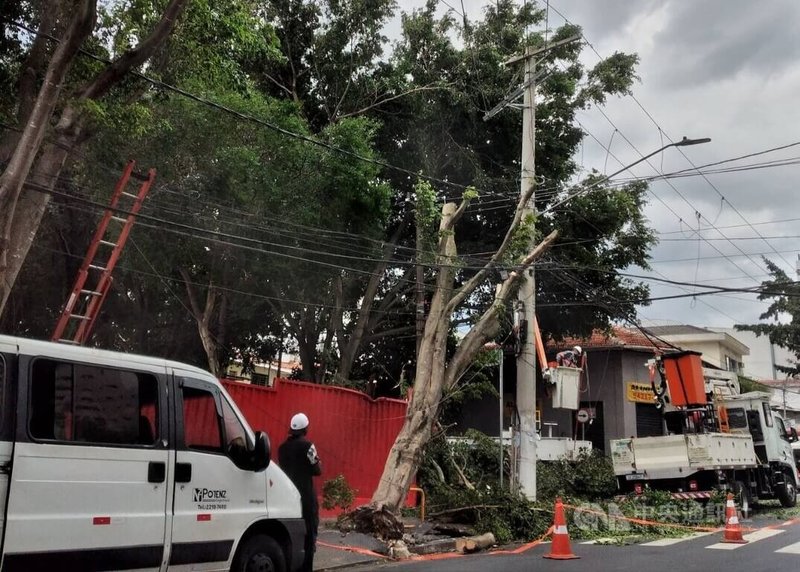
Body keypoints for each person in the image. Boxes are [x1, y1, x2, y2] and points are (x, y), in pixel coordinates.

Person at [279, 412, 322, 572]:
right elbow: (317, 470)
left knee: (292, 537)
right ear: (305, 429)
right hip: (306, 498)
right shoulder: (308, 446)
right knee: (309, 536)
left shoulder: (282, 448)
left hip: (288, 498)